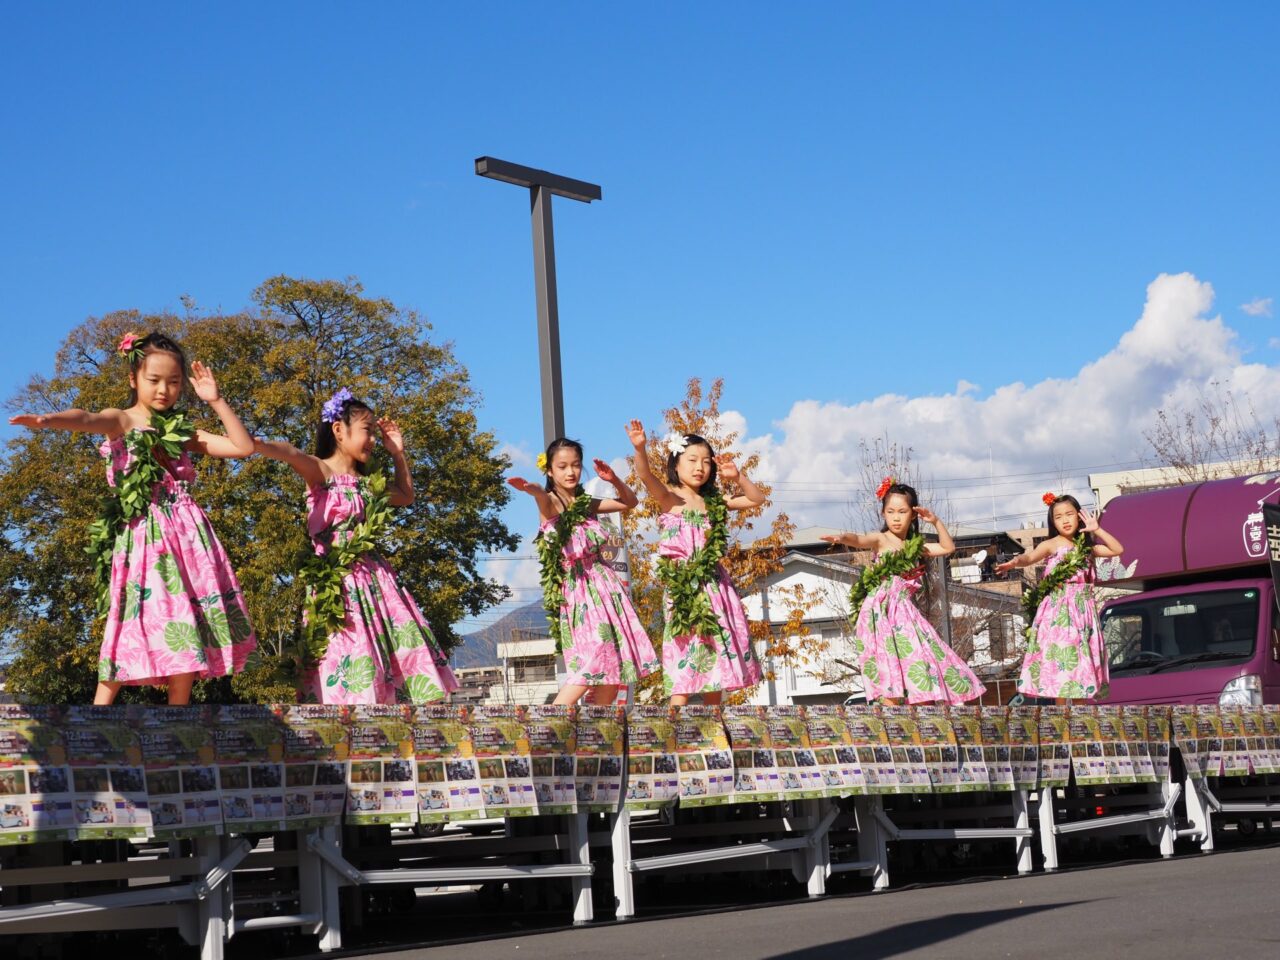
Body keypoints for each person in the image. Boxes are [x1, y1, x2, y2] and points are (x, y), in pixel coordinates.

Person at [10, 331, 257, 704]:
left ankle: (179, 722)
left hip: (189, 537)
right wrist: (49, 420)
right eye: (154, 380)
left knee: (185, 626)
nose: (164, 390)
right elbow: (88, 418)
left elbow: (243, 447)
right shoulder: (122, 421)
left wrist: (216, 401)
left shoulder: (181, 430)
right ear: (133, 379)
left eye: (174, 382)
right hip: (146, 536)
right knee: (132, 621)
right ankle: (97, 717)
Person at [254, 388, 457, 704]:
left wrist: (397, 453)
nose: (374, 440)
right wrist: (255, 444)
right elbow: (290, 452)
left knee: (401, 667)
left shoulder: (369, 483)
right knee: (350, 673)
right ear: (339, 430)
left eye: (376, 434)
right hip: (336, 586)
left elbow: (406, 495)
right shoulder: (321, 472)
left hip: (377, 582)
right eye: (368, 431)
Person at [508, 437, 658, 705]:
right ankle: (548, 729)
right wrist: (532, 490)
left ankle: (594, 740)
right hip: (579, 590)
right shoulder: (551, 502)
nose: (570, 472)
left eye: (575, 465)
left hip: (605, 585)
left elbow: (630, 502)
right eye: (562, 466)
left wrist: (614, 480)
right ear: (550, 471)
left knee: (612, 672)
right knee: (591, 664)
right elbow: (543, 498)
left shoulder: (587, 503)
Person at [625, 420, 764, 705]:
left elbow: (756, 499)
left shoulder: (714, 501)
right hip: (683, 586)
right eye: (692, 460)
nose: (700, 467)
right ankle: (675, 722)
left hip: (714, 584)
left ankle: (715, 723)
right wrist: (640, 448)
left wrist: (737, 478)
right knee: (685, 651)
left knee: (716, 652)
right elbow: (644, 475)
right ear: (676, 464)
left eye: (706, 462)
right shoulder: (670, 498)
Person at [822, 479, 985, 704]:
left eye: (902, 511)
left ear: (913, 514)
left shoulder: (916, 546)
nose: (896, 517)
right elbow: (860, 539)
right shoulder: (881, 539)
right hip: (881, 612)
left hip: (905, 611)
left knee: (921, 657)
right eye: (890, 511)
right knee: (886, 667)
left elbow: (948, 548)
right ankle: (894, 717)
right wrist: (842, 538)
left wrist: (936, 522)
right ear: (883, 513)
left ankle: (924, 711)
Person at [996, 492, 1123, 702]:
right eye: (1058, 516)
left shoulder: (1088, 548)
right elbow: (1030, 557)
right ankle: (1062, 722)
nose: (1065, 520)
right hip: (1059, 612)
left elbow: (1117, 549)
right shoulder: (1051, 544)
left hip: (1083, 611)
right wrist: (1015, 561)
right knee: (1061, 666)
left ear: (1079, 516)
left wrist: (1097, 529)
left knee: (1082, 666)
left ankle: (1082, 723)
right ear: (1052, 521)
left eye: (1069, 514)